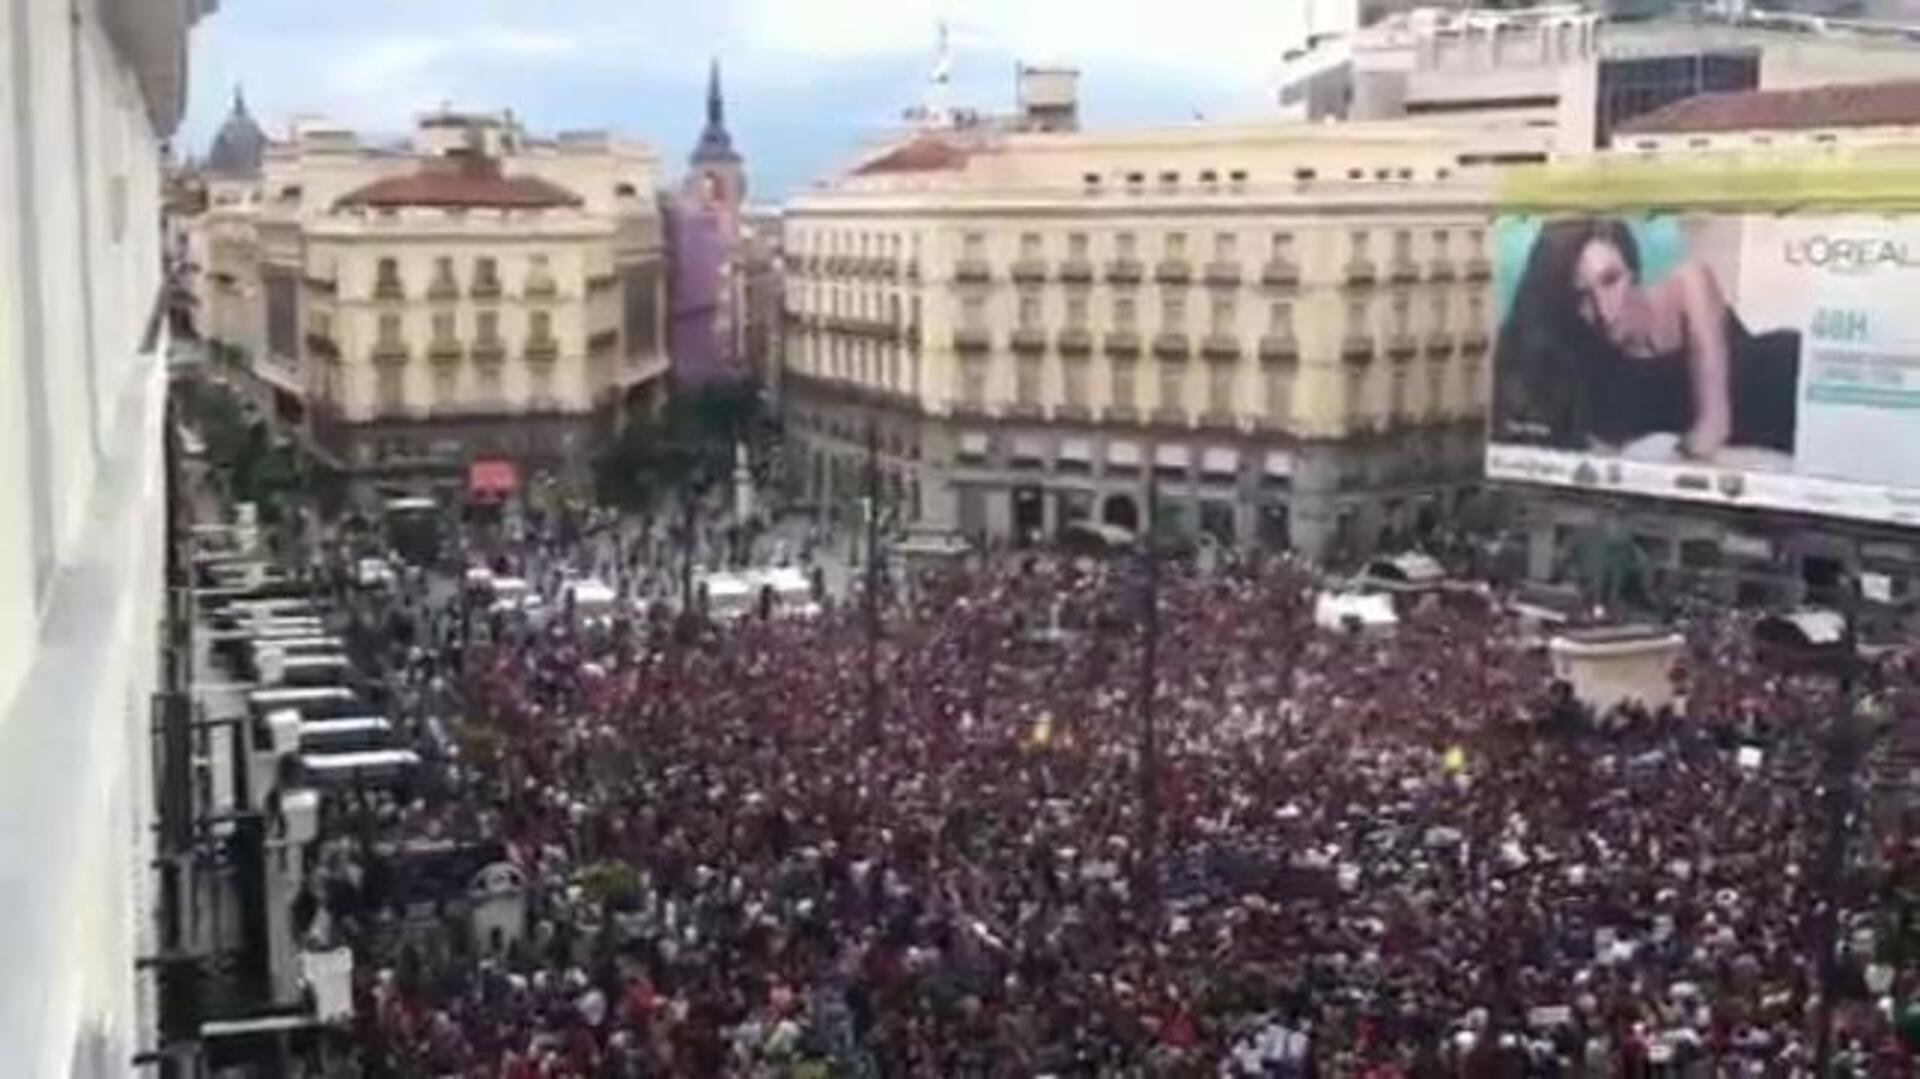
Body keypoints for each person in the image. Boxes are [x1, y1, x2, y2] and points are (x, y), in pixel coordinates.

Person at [1493, 217, 1800, 457]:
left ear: (1632, 270)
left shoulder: (1686, 284)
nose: (1604, 309)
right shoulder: (1593, 371)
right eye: (1581, 297)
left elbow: (1713, 427)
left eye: (1610, 280)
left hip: (1790, 381)